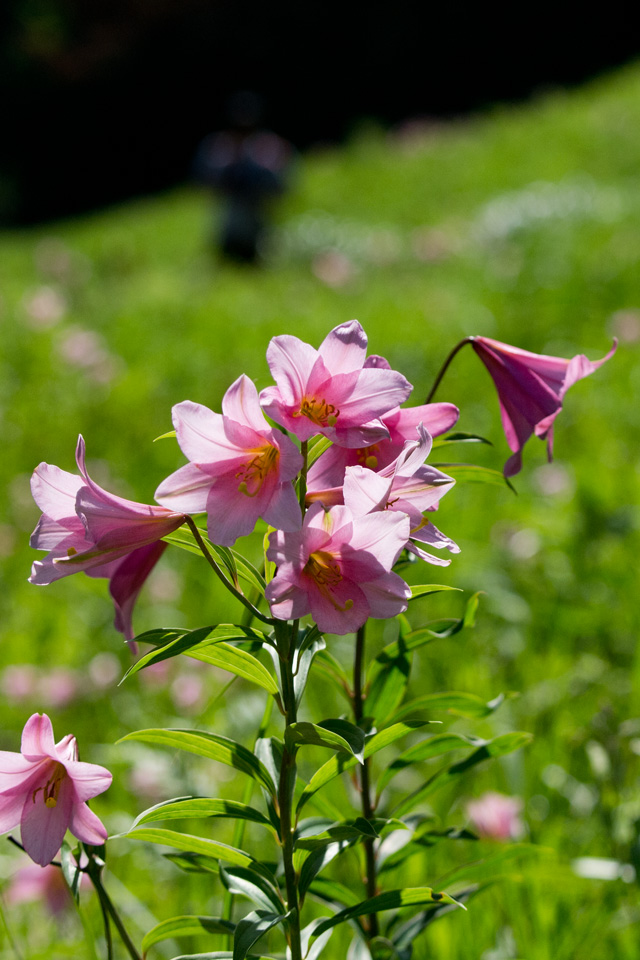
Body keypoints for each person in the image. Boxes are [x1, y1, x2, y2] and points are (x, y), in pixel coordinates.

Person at [194, 92, 292, 263]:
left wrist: (256, 174)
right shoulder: (219, 148)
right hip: (228, 225)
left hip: (260, 223)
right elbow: (203, 181)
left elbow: (282, 186)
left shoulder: (269, 148)